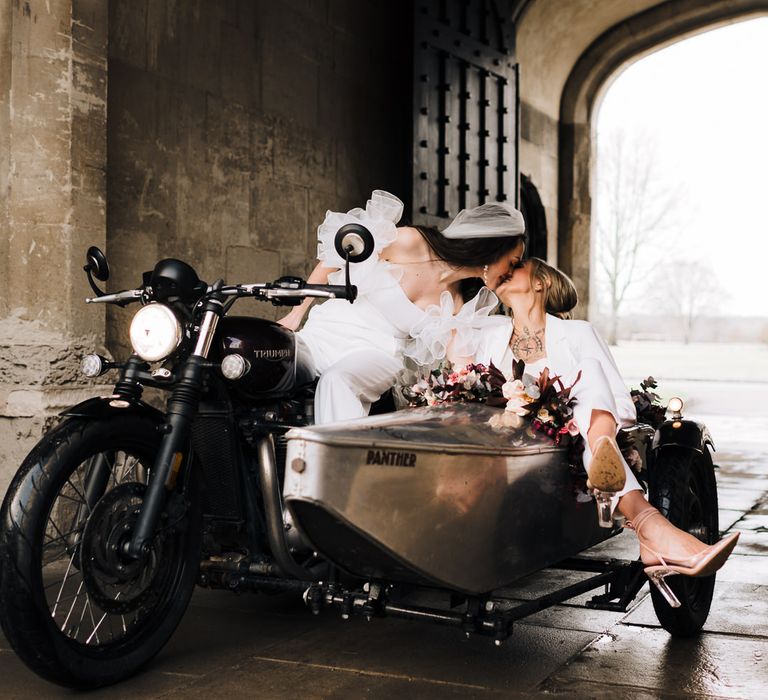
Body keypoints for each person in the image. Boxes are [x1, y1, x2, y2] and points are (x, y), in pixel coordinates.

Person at [474, 257, 739, 592]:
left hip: (566, 446)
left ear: (541, 283)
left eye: (519, 265)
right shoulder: (489, 337)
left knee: (588, 375)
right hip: (503, 445)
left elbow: (620, 404)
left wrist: (562, 415)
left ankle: (603, 455)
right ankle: (652, 531)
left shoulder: (578, 333)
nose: (507, 269)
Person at [278, 190, 526, 424]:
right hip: (323, 333)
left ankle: (342, 465)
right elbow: (336, 255)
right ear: (494, 250)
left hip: (375, 356)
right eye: (513, 263)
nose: (511, 273)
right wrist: (296, 313)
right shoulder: (411, 242)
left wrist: (502, 397)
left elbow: (464, 368)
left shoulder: (458, 304)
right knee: (260, 357)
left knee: (337, 380)